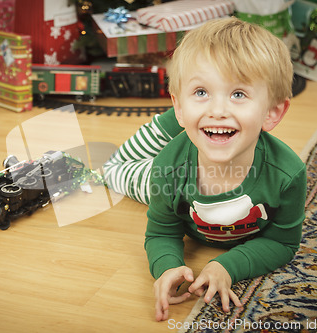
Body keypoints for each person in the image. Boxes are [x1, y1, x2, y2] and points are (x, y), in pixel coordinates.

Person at [103, 17, 306, 322]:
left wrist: (227, 265)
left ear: (272, 113)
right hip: (166, 174)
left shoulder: (287, 175)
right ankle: (169, 123)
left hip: (190, 148)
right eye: (201, 92)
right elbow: (161, 231)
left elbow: (282, 242)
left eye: (238, 94)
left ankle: (183, 116)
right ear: (180, 105)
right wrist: (167, 266)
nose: (218, 110)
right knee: (113, 170)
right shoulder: (166, 171)